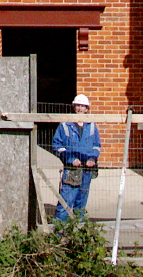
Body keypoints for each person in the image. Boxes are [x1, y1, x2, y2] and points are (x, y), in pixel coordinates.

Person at [51, 92, 100, 220]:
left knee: (81, 204)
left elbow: (96, 146)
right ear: (74, 107)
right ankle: (59, 234)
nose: (80, 108)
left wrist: (92, 159)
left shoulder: (92, 126)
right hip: (71, 170)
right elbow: (57, 145)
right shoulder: (65, 124)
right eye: (77, 105)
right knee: (65, 203)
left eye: (83, 106)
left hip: (86, 170)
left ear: (87, 109)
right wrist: (70, 159)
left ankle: (78, 232)